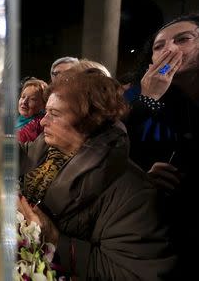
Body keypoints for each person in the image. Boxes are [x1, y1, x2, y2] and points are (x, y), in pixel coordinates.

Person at [18, 69, 175, 280]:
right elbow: (18, 153)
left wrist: (54, 239)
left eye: (54, 114)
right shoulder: (48, 150)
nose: (43, 122)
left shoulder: (133, 192)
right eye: (46, 112)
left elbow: (131, 273)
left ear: (88, 120)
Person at [123, 13, 199, 278]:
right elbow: (123, 152)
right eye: (159, 46)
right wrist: (150, 97)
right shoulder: (151, 99)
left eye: (183, 39)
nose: (170, 49)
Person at [16, 78, 48, 143]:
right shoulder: (17, 119)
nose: (24, 102)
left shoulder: (38, 124)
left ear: (44, 105)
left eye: (32, 99)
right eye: (23, 96)